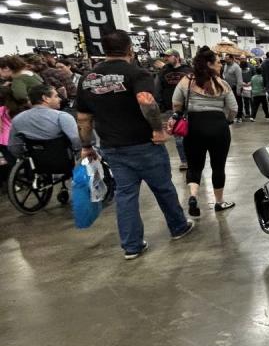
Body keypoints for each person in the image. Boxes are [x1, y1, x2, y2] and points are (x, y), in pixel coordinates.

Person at [76, 30, 194, 259]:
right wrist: (157, 130)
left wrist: (86, 145)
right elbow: (146, 102)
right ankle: (178, 227)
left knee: (126, 195)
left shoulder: (87, 79)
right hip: (144, 143)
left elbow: (83, 118)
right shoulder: (136, 73)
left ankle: (132, 246)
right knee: (163, 187)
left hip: (112, 146)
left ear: (104, 49)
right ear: (129, 48)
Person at [170, 47, 238, 217]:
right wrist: (228, 120)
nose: (220, 65)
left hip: (194, 126)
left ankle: (193, 196)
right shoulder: (222, 83)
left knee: (194, 165)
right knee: (218, 166)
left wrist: (179, 114)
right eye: (217, 62)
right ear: (209, 64)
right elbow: (233, 108)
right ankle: (219, 202)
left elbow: (176, 103)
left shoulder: (186, 81)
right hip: (218, 127)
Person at [7, 84, 81, 157]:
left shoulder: (17, 119)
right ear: (45, 98)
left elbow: (14, 148)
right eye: (56, 96)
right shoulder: (62, 117)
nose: (60, 99)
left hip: (37, 164)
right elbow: (75, 139)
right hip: (66, 162)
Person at [157, 50, 191, 171]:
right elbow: (158, 87)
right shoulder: (163, 71)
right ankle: (184, 161)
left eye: (168, 56)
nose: (166, 59)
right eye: (165, 57)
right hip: (171, 108)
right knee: (178, 136)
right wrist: (161, 104)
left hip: (188, 108)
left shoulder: (188, 70)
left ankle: (193, 158)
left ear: (176, 57)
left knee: (192, 135)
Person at [220, 48, 245, 121]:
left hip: (235, 87)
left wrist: (238, 90)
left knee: (238, 102)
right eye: (225, 59)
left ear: (232, 59)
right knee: (229, 103)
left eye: (227, 59)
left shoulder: (236, 67)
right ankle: (233, 116)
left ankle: (239, 116)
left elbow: (239, 79)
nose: (226, 60)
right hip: (228, 87)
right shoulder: (225, 66)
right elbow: (224, 74)